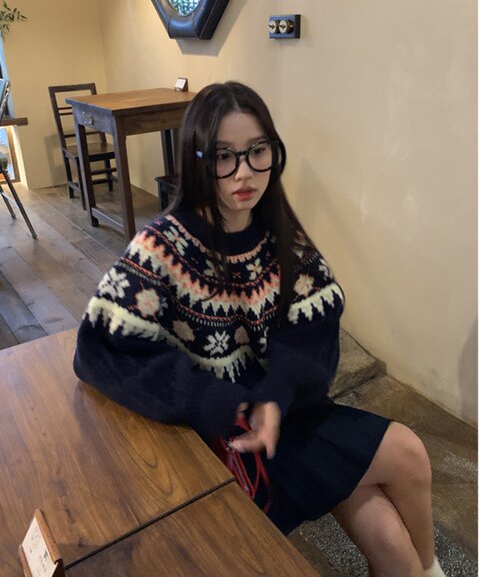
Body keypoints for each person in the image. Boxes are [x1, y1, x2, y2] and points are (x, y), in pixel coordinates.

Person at [74, 81, 445, 577]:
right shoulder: (161, 247)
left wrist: (276, 395)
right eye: (223, 157)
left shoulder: (279, 233)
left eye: (257, 151)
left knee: (394, 535)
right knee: (405, 462)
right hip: (228, 439)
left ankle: (430, 570)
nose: (244, 172)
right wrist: (215, 400)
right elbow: (99, 350)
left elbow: (314, 324)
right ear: (197, 160)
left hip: (285, 415)